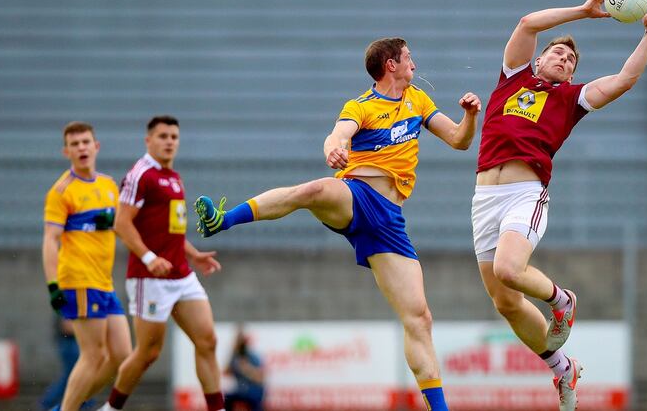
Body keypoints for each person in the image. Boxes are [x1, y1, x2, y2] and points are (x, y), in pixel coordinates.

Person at [194, 37, 481, 411]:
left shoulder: (419, 101)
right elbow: (339, 133)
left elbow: (459, 140)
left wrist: (471, 116)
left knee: (420, 318)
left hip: (389, 222)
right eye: (408, 57)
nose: (414, 63)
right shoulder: (360, 106)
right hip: (358, 195)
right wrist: (332, 146)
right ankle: (222, 220)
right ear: (390, 65)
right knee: (313, 190)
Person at [472, 0, 647, 410]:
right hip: (484, 198)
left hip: (526, 194)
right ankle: (563, 369)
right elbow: (527, 23)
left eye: (571, 60)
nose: (563, 59)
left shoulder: (570, 99)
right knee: (505, 302)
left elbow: (624, 80)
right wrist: (583, 12)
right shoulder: (513, 78)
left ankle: (562, 299)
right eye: (557, 53)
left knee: (508, 269)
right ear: (538, 60)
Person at [99, 116, 225, 411]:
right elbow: (121, 223)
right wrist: (149, 257)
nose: (169, 141)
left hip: (181, 273)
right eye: (163, 136)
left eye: (174, 136)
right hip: (149, 278)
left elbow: (170, 230)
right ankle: (111, 408)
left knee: (207, 340)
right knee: (148, 353)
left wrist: (193, 254)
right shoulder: (140, 174)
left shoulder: (173, 177)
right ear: (148, 140)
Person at [42, 121, 132, 411]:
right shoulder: (61, 191)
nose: (81, 148)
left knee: (122, 356)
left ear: (97, 146)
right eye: (75, 144)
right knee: (93, 355)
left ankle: (66, 406)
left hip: (104, 282)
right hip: (80, 281)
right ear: (65, 151)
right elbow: (50, 240)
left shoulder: (107, 185)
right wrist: (53, 285)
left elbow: (123, 227)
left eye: (85, 142)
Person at [223, 328, 265, 411]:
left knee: (256, 400)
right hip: (239, 390)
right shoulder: (235, 356)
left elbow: (260, 378)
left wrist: (246, 368)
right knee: (226, 399)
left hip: (253, 389)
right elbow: (226, 372)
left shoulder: (253, 356)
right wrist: (232, 353)